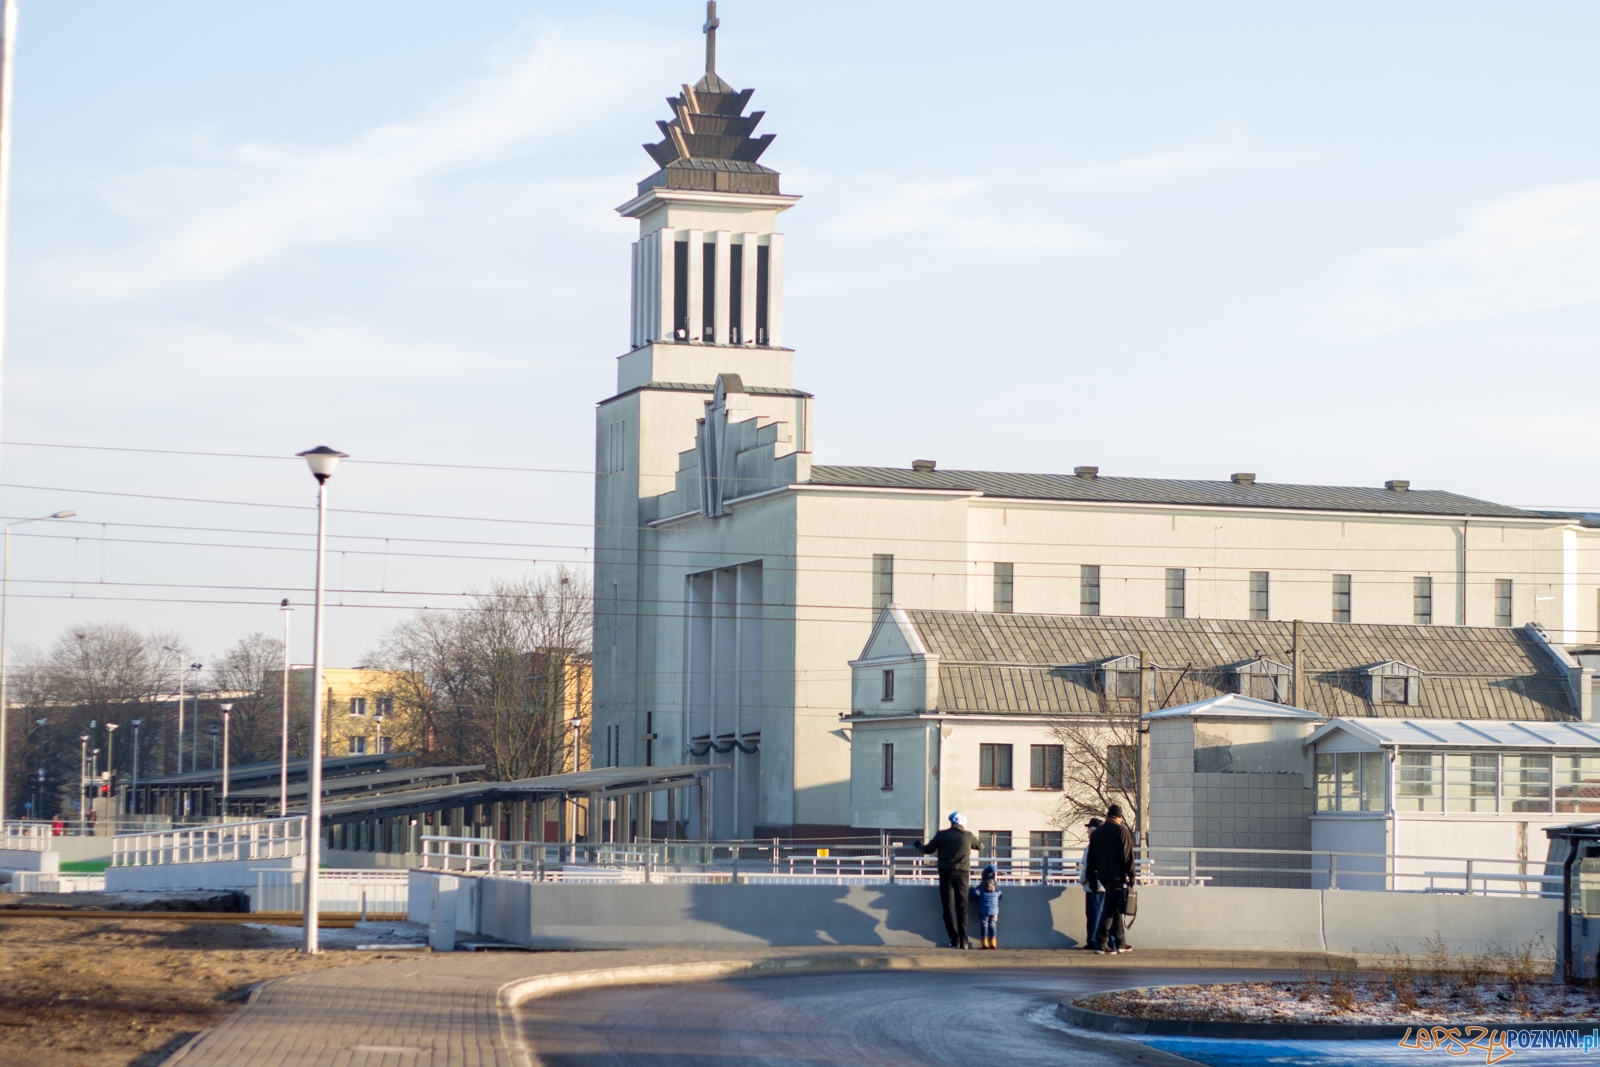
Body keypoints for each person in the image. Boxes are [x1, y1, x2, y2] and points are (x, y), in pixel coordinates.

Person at [916, 811, 981, 949]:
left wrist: (918, 845)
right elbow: (980, 846)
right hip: (963, 875)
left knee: (948, 908)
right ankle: (964, 941)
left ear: (951, 822)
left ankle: (954, 940)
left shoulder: (942, 835)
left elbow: (927, 850)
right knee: (962, 908)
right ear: (962, 823)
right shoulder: (967, 836)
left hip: (946, 875)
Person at [1085, 803, 1136, 955]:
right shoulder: (1121, 830)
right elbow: (1127, 856)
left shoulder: (1097, 833)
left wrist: (1092, 879)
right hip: (1117, 876)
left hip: (1103, 877)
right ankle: (1101, 944)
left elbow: (1091, 859)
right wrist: (1132, 875)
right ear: (1119, 817)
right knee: (1109, 910)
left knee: (1115, 908)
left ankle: (1121, 942)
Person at [1079, 817, 1110, 951]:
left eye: (1089, 829)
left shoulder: (1091, 846)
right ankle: (1108, 940)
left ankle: (1092, 940)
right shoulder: (1107, 844)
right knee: (1105, 914)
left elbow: (1087, 866)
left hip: (1093, 886)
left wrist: (1083, 880)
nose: (1087, 832)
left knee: (1093, 914)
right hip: (1105, 884)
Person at [970, 864, 1002, 949]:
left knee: (984, 925)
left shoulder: (981, 888)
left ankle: (984, 941)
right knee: (993, 925)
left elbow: (973, 895)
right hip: (994, 911)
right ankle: (993, 941)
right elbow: (1000, 897)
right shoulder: (996, 888)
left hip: (983, 910)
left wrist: (971, 889)